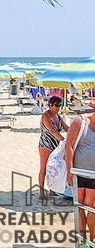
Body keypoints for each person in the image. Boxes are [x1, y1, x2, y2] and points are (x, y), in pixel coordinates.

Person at [66, 100, 95, 242]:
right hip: (78, 173)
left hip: (93, 175)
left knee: (91, 207)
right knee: (80, 207)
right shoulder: (80, 122)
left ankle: (91, 240)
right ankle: (83, 241)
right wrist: (69, 171)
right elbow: (69, 146)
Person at [38, 96, 68, 200]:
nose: (58, 107)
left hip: (56, 144)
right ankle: (41, 191)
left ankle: (52, 190)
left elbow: (67, 128)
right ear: (50, 105)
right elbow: (52, 131)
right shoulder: (46, 116)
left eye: (60, 105)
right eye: (56, 105)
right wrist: (65, 141)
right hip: (46, 144)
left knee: (55, 168)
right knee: (44, 167)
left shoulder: (58, 116)